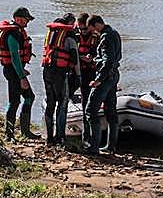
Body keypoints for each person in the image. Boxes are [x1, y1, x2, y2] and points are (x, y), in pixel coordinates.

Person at [0, 6, 39, 140]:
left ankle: (24, 132)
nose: (28, 22)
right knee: (15, 101)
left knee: (29, 97)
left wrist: (22, 69)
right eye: (26, 19)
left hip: (15, 70)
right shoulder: (12, 34)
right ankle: (9, 134)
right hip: (13, 72)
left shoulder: (17, 31)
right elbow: (14, 56)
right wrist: (22, 77)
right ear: (18, 19)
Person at [41, 12, 81, 146]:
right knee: (62, 104)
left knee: (50, 104)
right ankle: (60, 136)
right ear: (70, 23)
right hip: (60, 74)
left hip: (47, 72)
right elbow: (75, 60)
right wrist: (78, 76)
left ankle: (49, 138)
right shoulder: (70, 38)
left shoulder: (51, 35)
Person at [83, 14, 121, 155]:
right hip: (114, 76)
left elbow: (108, 60)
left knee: (90, 111)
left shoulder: (105, 37)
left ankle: (93, 148)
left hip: (105, 78)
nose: (93, 32)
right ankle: (111, 147)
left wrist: (98, 79)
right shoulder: (114, 33)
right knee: (111, 112)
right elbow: (113, 59)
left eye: (92, 28)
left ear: (97, 24)